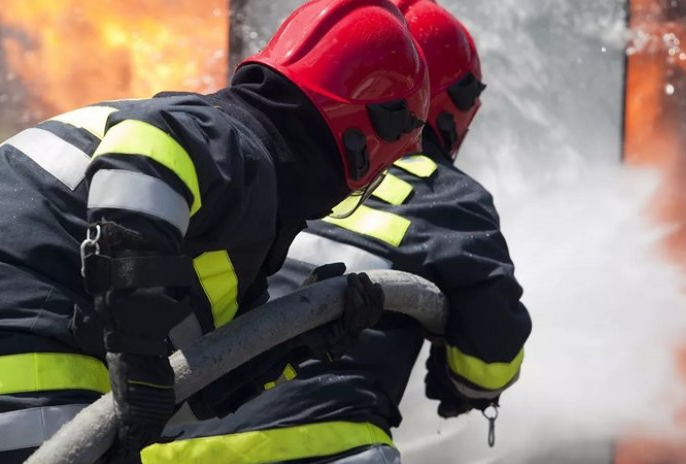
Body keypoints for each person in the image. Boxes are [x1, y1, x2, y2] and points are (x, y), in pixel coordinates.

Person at [0, 0, 430, 462]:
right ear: (367, 137)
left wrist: (297, 342)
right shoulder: (230, 142)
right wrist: (136, 352)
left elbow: (188, 393)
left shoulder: (224, 204)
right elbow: (146, 153)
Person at [146, 1, 532, 463]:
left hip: (163, 448)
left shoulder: (255, 165)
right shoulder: (445, 196)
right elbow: (488, 364)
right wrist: (460, 377)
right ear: (449, 104)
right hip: (322, 449)